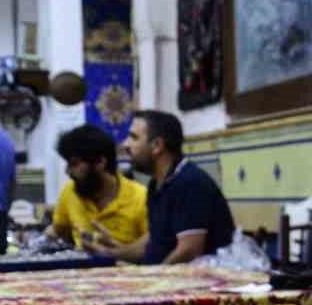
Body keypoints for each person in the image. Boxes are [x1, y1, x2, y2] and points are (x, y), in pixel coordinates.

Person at [93, 110, 234, 264]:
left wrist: (152, 278)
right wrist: (113, 252)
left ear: (157, 146)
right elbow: (154, 241)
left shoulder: (189, 183)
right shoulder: (156, 184)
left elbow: (189, 250)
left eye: (134, 137)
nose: (126, 144)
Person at [50, 123, 147, 248]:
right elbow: (58, 230)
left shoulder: (140, 197)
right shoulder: (70, 191)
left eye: (74, 164)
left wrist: (118, 252)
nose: (68, 172)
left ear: (100, 162)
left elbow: (152, 249)